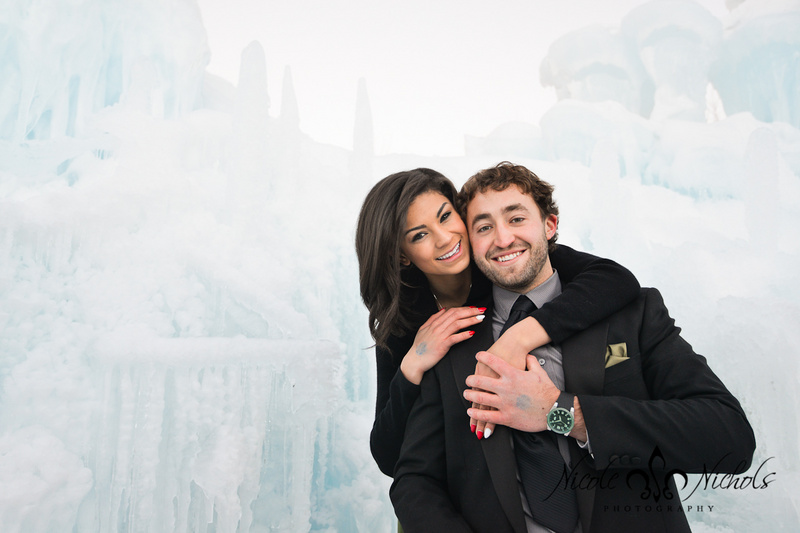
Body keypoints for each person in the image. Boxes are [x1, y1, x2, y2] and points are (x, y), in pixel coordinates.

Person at [389, 162, 756, 533]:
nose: (502, 239)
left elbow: (730, 437)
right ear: (470, 241)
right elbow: (413, 480)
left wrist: (560, 411)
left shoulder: (632, 314)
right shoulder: (449, 341)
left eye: (516, 219)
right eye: (484, 227)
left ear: (549, 225)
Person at [356, 168, 642, 477]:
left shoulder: (504, 263)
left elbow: (616, 279)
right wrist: (412, 365)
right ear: (402, 256)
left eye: (445, 217)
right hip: (444, 479)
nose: (444, 238)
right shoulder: (405, 319)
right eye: (419, 235)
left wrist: (517, 338)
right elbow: (388, 456)